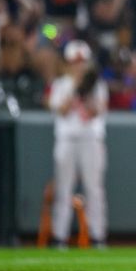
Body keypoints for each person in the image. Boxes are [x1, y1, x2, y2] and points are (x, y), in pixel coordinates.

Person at [48, 40, 108, 248]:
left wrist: (86, 91)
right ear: (68, 63)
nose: (79, 65)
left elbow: (97, 111)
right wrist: (75, 89)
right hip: (67, 139)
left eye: (82, 61)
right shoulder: (61, 84)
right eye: (75, 61)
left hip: (91, 139)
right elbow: (61, 109)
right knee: (64, 188)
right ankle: (59, 237)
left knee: (94, 188)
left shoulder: (96, 85)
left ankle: (97, 236)